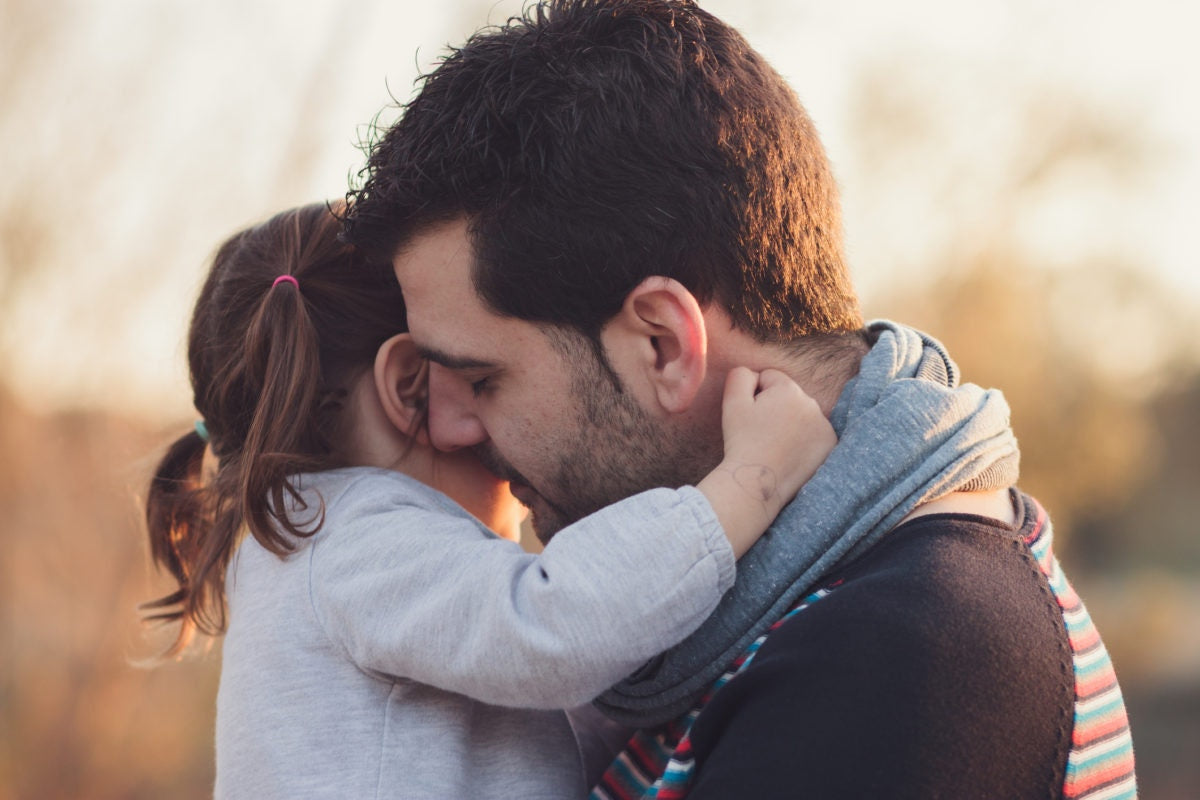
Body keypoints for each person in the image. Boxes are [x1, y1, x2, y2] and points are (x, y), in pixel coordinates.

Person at [341, 1, 1138, 797]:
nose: (447, 425)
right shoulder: (794, 625)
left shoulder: (908, 663)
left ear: (662, 344)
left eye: (483, 380)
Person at [141, 200, 835, 798]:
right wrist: (751, 482)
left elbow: (548, 721)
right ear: (410, 386)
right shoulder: (357, 540)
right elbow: (562, 621)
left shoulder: (305, 551)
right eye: (480, 379)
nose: (496, 444)